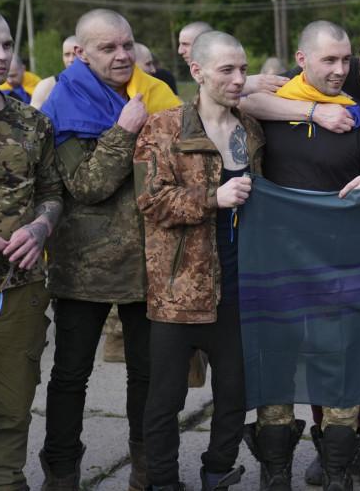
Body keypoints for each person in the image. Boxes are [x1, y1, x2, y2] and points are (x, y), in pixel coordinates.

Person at [240, 16, 360, 490]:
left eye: (346, 60)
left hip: (345, 266)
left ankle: (342, 461)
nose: (342, 70)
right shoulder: (268, 112)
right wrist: (312, 113)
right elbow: (236, 99)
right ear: (301, 60)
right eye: (330, 60)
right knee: (277, 362)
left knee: (344, 359)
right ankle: (275, 468)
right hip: (278, 267)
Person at [39, 9, 180, 491]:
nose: (122, 56)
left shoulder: (148, 94)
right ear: (80, 53)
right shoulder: (66, 102)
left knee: (147, 375)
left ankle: (147, 471)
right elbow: (87, 185)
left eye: (127, 45)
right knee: (70, 376)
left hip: (146, 265)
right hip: (85, 269)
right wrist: (125, 129)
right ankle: (62, 473)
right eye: (108, 48)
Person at [135, 31, 262, 491]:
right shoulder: (164, 127)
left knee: (234, 395)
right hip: (178, 292)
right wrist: (214, 197)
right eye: (227, 70)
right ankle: (165, 481)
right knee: (164, 401)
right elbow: (150, 201)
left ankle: (217, 470)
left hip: (236, 288)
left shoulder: (249, 130)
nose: (237, 78)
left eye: (243, 69)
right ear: (197, 71)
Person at [0, 10, 64, 491]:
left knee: (13, 404)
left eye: (6, 45)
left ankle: (6, 480)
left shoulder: (30, 120)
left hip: (17, 289)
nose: (2, 56)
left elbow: (52, 190)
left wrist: (41, 227)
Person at [30, 35, 77, 109]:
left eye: (75, 54)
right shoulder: (46, 86)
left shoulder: (97, 84)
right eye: (67, 55)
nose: (71, 59)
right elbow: (31, 118)